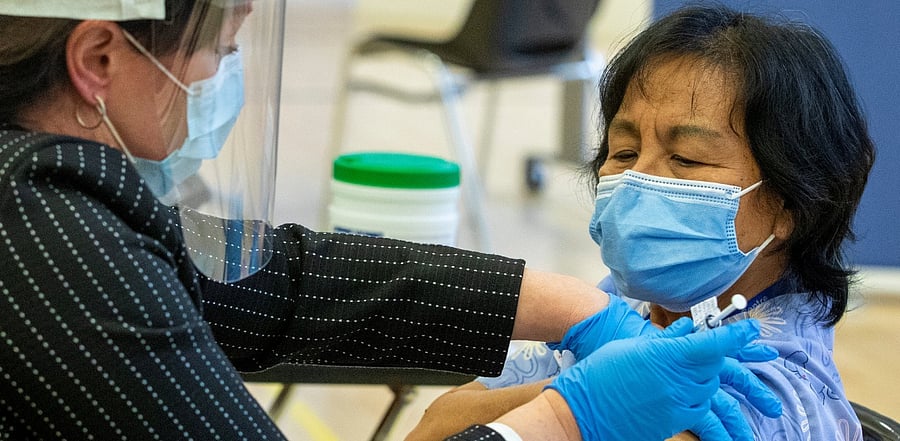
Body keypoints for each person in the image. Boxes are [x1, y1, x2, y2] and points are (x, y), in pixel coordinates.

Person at [0, 1, 781, 440]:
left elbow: (275, 277)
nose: (221, 79)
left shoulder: (60, 191)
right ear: (98, 59)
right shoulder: (54, 242)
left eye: (689, 160)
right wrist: (564, 418)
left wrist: (579, 308)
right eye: (220, 50)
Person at [407, 3, 876, 441]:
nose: (636, 181)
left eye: (688, 159)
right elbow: (436, 423)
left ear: (793, 202)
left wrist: (571, 397)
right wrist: (579, 397)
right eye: (624, 152)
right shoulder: (624, 306)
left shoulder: (771, 385)